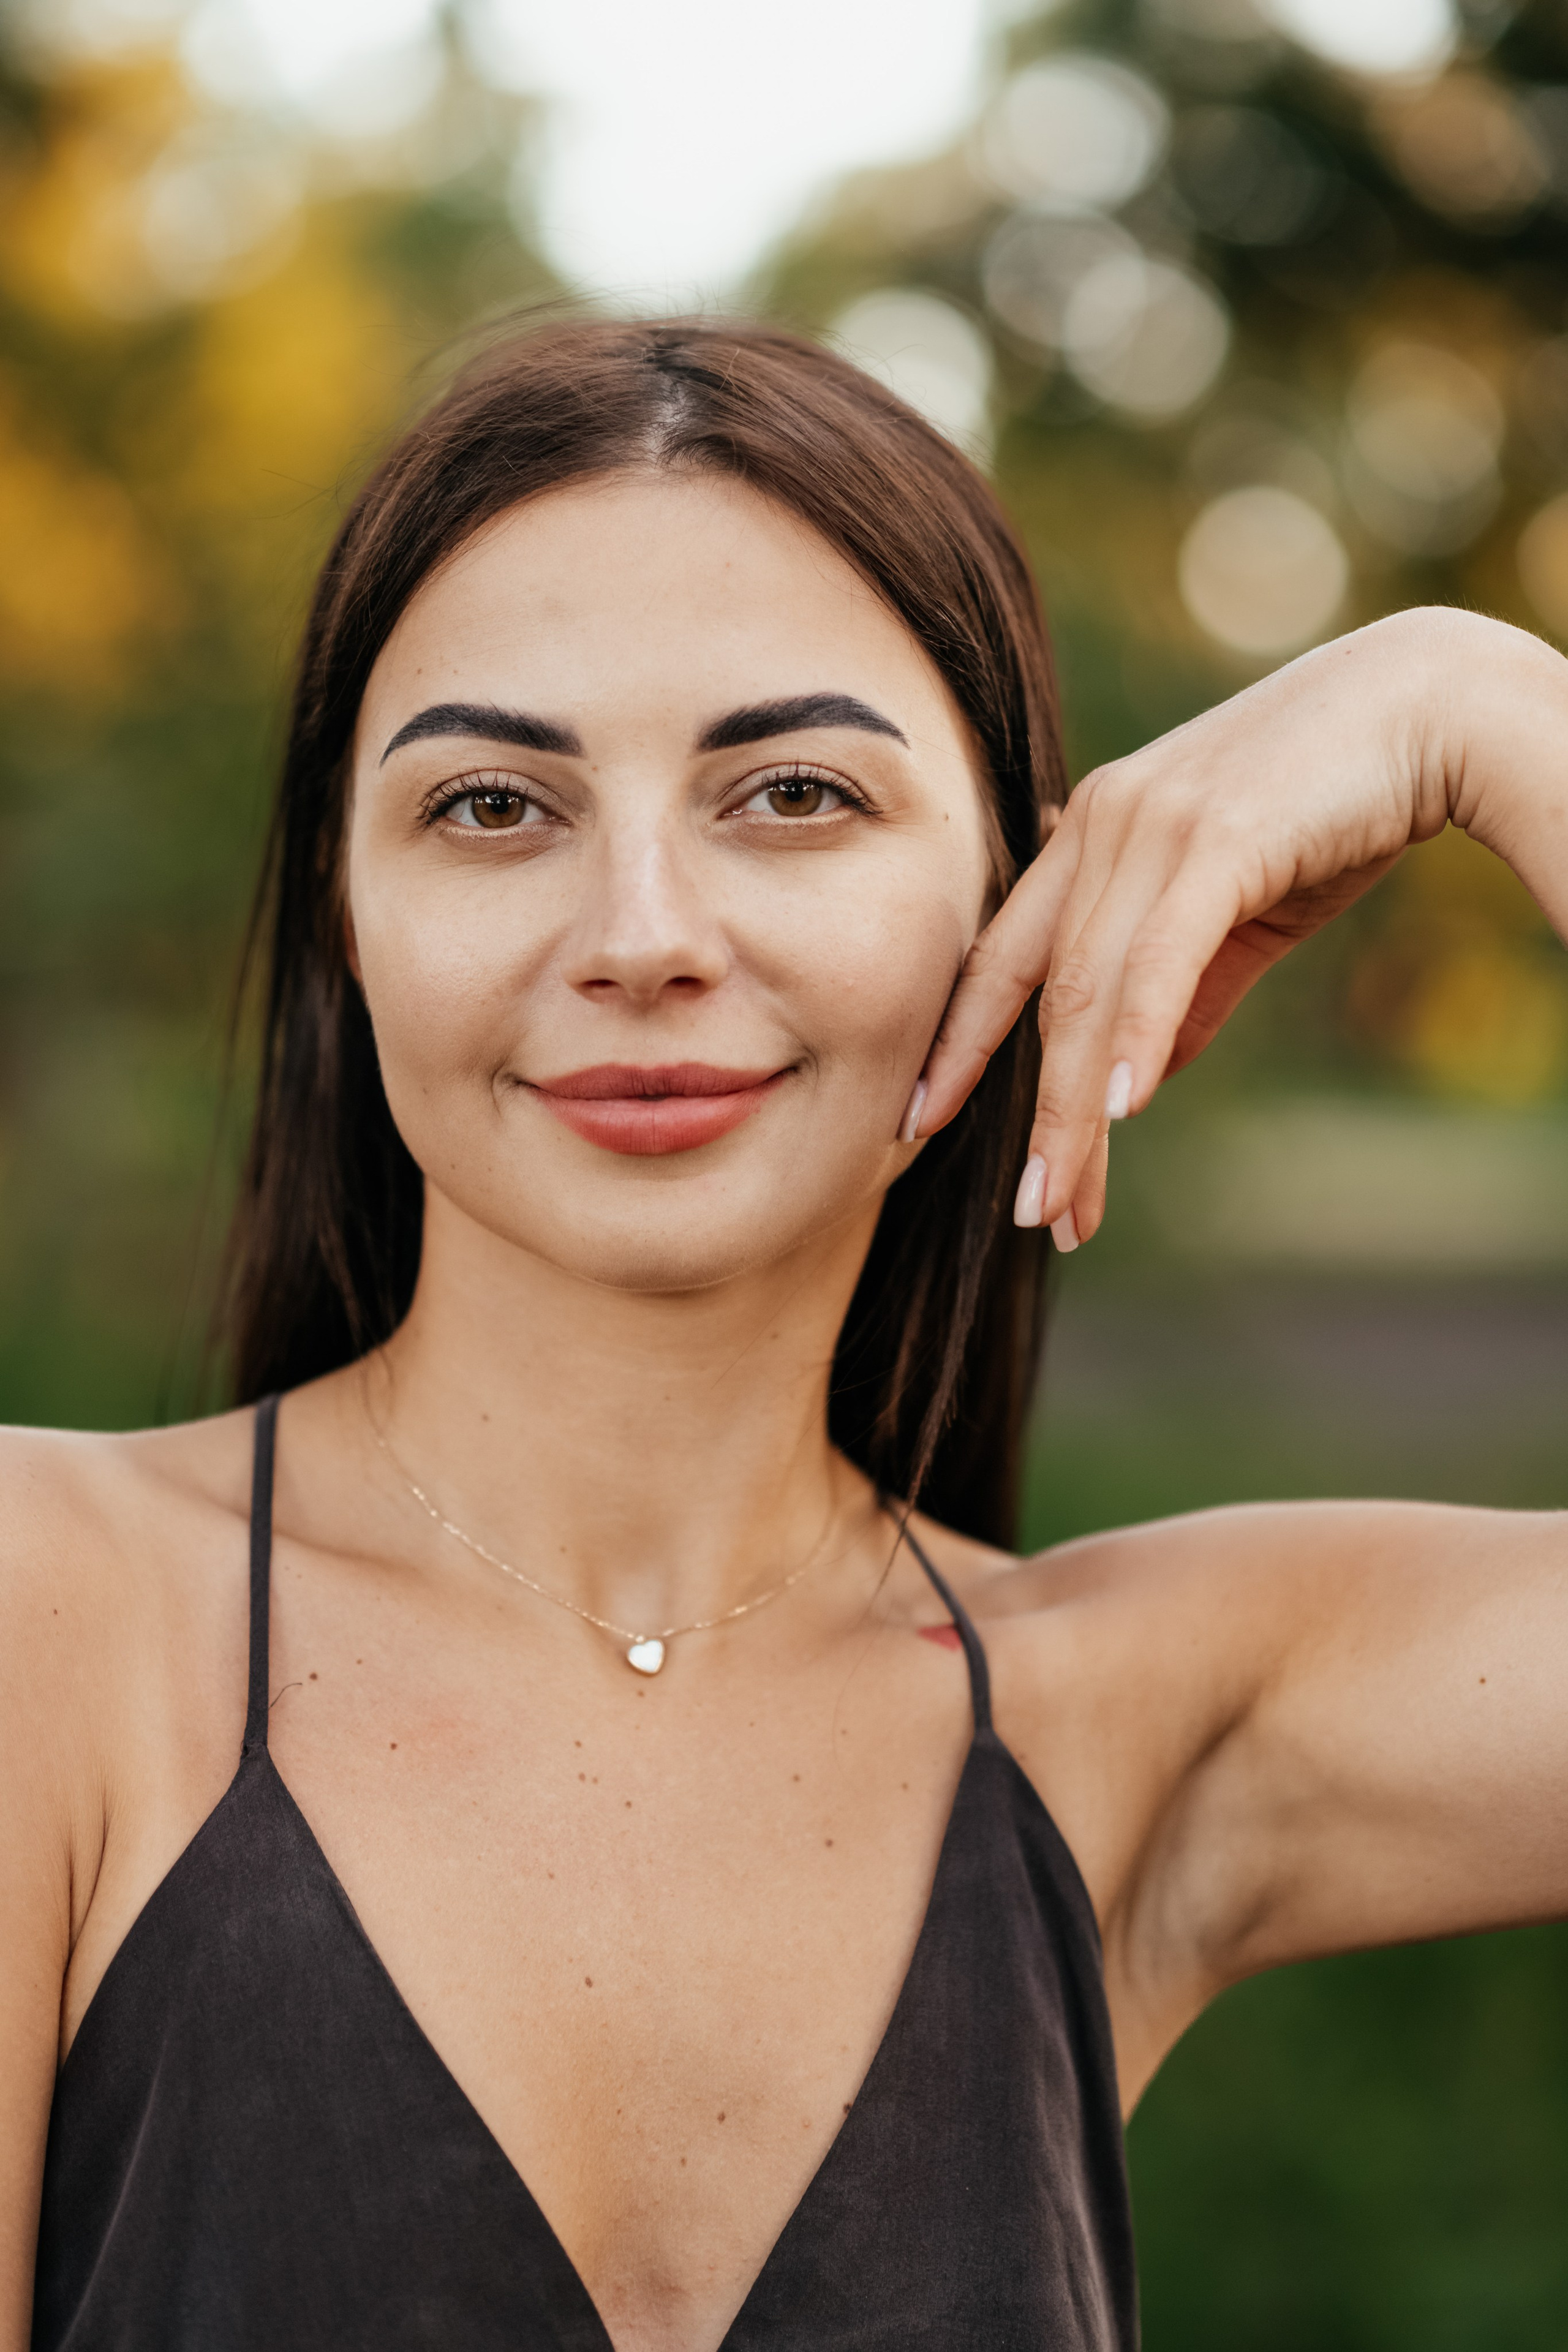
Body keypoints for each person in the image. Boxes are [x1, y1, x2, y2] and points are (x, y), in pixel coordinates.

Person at [3, 317, 1566, 2352]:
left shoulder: (1140, 1721)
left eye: (797, 791)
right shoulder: (50, 1619)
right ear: (343, 913)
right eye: (491, 806)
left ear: (1022, 885)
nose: (644, 932)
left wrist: (1483, 706)